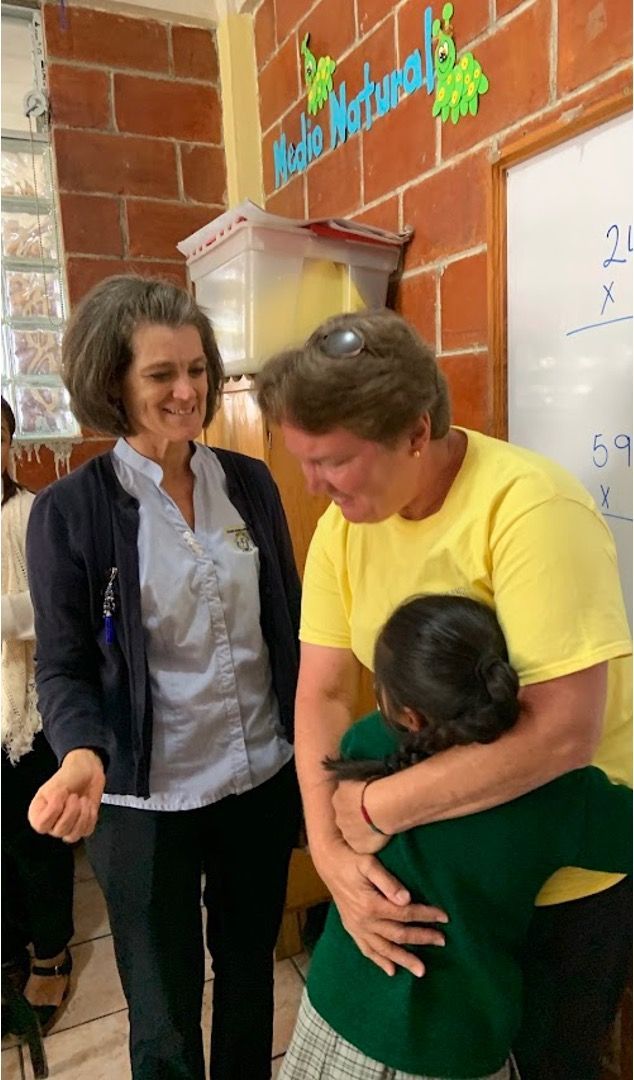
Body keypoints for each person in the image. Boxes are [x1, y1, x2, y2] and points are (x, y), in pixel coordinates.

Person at [255, 309, 633, 1080]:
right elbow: (322, 691)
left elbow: (562, 734)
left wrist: (371, 810)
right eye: (303, 460)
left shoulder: (529, 510)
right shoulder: (344, 526)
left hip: (555, 869)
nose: (313, 486)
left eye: (332, 461)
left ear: (416, 431)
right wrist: (331, 855)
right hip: (449, 859)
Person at [26, 276, 302, 1080]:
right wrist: (80, 749)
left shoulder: (247, 483)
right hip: (147, 803)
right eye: (160, 375)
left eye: (197, 369)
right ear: (113, 382)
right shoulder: (73, 512)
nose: (188, 391)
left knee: (249, 975)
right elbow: (66, 662)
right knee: (163, 1010)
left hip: (257, 782)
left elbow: (284, 624)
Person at [280, 593, 632, 1080]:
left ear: (406, 713)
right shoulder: (560, 797)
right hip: (459, 1041)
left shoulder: (367, 745)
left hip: (340, 1008)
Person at [1, 396, 75, 1035]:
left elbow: (56, 609)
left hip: (24, 710)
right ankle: (8, 952)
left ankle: (52, 952)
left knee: (34, 839)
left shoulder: (34, 516)